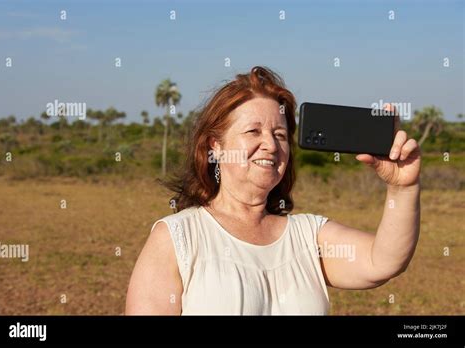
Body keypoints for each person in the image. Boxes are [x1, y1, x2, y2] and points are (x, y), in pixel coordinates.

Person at [126, 66, 421, 315]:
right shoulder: (178, 237)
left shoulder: (307, 235)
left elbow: (382, 261)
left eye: (279, 134)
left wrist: (402, 188)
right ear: (215, 147)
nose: (270, 144)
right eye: (253, 131)